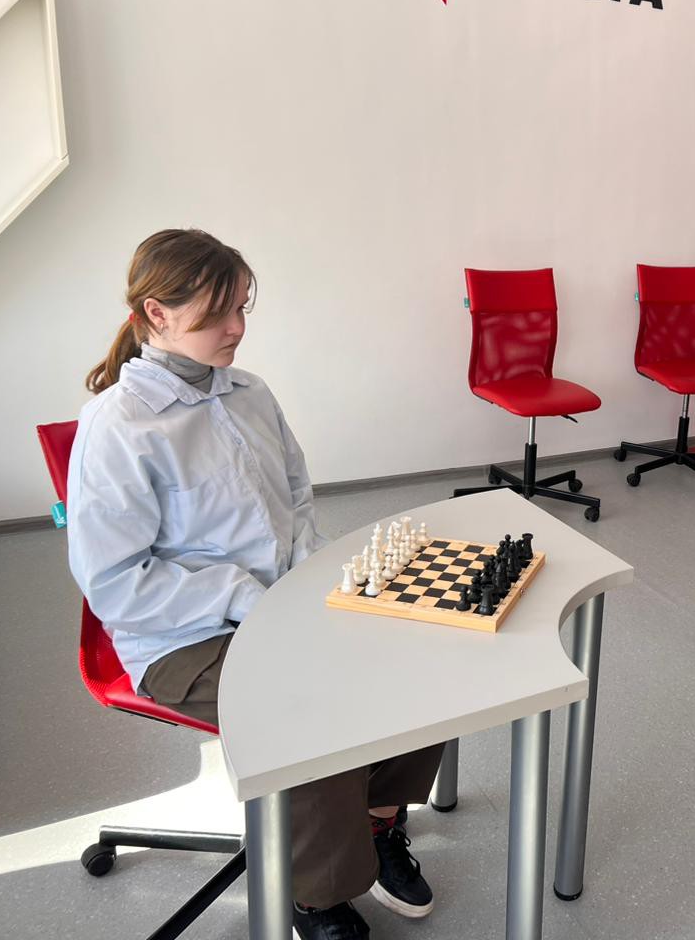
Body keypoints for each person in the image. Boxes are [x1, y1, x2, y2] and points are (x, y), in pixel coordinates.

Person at [67, 229, 443, 939]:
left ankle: (378, 823)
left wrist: (318, 583)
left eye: (241, 307)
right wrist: (247, 598)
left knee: (412, 641)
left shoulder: (250, 394)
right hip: (181, 636)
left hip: (282, 602)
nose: (237, 328)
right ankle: (315, 893)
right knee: (309, 701)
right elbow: (116, 583)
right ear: (157, 313)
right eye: (217, 314)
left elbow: (296, 504)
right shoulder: (119, 426)